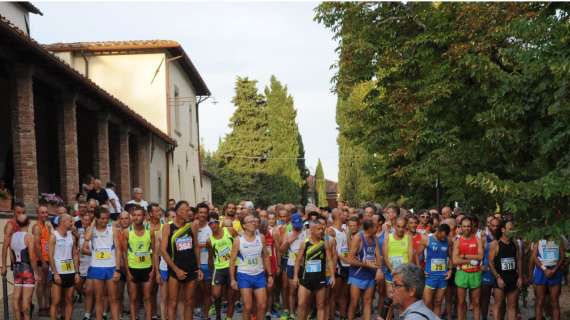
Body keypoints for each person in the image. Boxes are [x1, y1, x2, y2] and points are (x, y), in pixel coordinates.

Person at [160, 200, 203, 320]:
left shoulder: (192, 225)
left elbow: (195, 247)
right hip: (175, 270)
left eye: (189, 210)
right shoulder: (168, 227)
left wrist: (198, 267)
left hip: (191, 268)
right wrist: (176, 269)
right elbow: (163, 251)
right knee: (172, 302)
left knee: (189, 302)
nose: (188, 212)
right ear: (178, 212)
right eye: (185, 210)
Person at [230, 214, 274, 320]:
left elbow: (266, 256)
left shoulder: (261, 238)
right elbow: (232, 261)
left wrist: (270, 275)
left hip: (259, 274)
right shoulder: (238, 240)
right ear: (244, 225)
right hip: (244, 275)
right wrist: (232, 279)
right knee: (248, 306)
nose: (253, 223)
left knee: (262, 305)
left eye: (254, 221)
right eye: (250, 221)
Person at [83, 207, 122, 320]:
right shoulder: (92, 230)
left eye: (107, 218)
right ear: (97, 219)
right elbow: (87, 238)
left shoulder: (112, 229)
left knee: (113, 298)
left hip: (111, 267)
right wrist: (93, 223)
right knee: (98, 297)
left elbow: (118, 250)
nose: (105, 221)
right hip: (96, 267)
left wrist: (118, 269)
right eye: (102, 218)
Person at [293, 220, 335, 320]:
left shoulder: (324, 244)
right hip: (306, 279)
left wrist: (333, 276)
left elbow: (329, 260)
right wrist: (295, 277)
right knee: (301, 304)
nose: (321, 231)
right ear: (311, 230)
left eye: (322, 229)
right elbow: (298, 261)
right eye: (318, 229)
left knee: (321, 305)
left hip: (320, 279)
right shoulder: (305, 244)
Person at [122, 206, 155, 320]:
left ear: (144, 216)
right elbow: (124, 254)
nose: (136, 217)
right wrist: (127, 272)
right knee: (133, 298)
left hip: (147, 268)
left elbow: (154, 252)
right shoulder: (127, 232)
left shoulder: (150, 231)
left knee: (147, 297)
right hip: (132, 268)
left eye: (139, 215)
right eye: (134, 215)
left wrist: (153, 270)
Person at [347, 219, 382, 320]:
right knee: (354, 302)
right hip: (357, 275)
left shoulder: (374, 237)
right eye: (375, 227)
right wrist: (366, 265)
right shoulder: (358, 238)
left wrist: (379, 269)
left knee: (368, 301)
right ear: (369, 228)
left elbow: (378, 255)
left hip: (370, 274)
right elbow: (350, 259)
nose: (378, 228)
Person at [488, 220, 522, 320]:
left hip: (513, 278)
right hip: (501, 278)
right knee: (498, 304)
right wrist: (498, 277)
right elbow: (490, 262)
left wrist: (520, 276)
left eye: (513, 229)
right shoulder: (495, 243)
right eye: (510, 229)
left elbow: (519, 260)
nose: (513, 231)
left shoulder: (515, 243)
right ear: (503, 230)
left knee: (512, 306)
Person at [9, 211, 40, 320]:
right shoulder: (29, 236)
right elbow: (32, 256)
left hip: (17, 269)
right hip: (27, 269)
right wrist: (35, 272)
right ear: (29, 222)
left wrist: (14, 266)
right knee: (26, 301)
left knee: (16, 298)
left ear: (17, 223)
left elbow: (11, 255)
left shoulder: (12, 236)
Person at [49, 214, 80, 320]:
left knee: (69, 299)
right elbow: (50, 256)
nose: (72, 224)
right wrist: (55, 273)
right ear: (63, 222)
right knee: (56, 300)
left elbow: (75, 254)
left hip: (70, 272)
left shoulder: (71, 236)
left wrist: (76, 272)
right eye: (70, 221)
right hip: (58, 273)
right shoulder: (54, 236)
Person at [207, 213, 237, 320]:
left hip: (232, 267)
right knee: (216, 294)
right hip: (219, 268)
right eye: (210, 223)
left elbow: (240, 243)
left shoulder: (230, 231)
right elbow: (210, 258)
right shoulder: (209, 240)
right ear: (208, 225)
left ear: (218, 222)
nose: (213, 225)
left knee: (231, 297)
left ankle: (228, 318)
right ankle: (218, 316)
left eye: (215, 222)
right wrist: (211, 273)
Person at [452, 216, 483, 320]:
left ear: (472, 227)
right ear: (460, 227)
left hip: (475, 273)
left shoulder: (477, 239)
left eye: (468, 226)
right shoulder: (457, 241)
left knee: (476, 302)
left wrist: (464, 256)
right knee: (461, 302)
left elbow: (481, 256)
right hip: (462, 273)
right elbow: (455, 261)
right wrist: (471, 260)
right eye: (464, 226)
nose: (466, 228)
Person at [418, 223, 451, 316]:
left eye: (445, 237)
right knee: (427, 302)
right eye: (441, 236)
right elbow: (416, 254)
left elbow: (451, 257)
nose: (442, 238)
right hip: (430, 276)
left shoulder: (447, 241)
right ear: (438, 231)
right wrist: (420, 269)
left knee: (438, 302)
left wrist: (450, 270)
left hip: (442, 276)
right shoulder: (427, 239)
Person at [532, 231, 565, 320]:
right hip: (541, 271)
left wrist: (554, 269)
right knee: (540, 301)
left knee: (555, 302)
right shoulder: (538, 240)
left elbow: (562, 256)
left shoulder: (558, 239)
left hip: (555, 271)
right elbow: (534, 256)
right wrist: (544, 269)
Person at [279, 212, 305, 320]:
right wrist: (288, 241)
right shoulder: (288, 233)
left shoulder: (306, 232)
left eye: (300, 224)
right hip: (291, 265)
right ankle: (292, 313)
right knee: (292, 290)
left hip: (304, 265)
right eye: (296, 225)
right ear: (292, 223)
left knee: (303, 291)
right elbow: (281, 251)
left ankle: (302, 312)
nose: (298, 227)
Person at [328, 208, 350, 320]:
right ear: (338, 216)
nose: (345, 215)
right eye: (343, 214)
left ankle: (343, 316)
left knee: (344, 294)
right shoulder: (331, 231)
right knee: (334, 295)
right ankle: (331, 317)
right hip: (337, 267)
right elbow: (332, 251)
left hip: (346, 265)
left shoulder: (344, 230)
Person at [31, 204, 52, 316]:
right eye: (42, 212)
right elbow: (36, 246)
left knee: (48, 284)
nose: (45, 214)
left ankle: (47, 305)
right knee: (41, 284)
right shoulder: (37, 227)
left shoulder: (47, 226)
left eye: (46, 212)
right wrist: (43, 262)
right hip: (41, 260)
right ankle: (41, 307)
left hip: (48, 258)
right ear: (38, 214)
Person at [74, 210, 94, 320]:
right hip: (82, 265)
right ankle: (80, 295)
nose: (85, 222)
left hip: (91, 265)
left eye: (87, 220)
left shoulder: (93, 233)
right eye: (84, 220)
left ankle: (87, 314)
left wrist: (89, 252)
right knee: (78, 285)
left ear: (91, 222)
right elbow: (77, 250)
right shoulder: (80, 234)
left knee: (89, 291)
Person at [194, 202, 214, 319]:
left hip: (207, 263)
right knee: (197, 291)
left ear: (207, 214)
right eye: (200, 212)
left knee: (207, 291)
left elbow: (214, 243)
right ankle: (197, 309)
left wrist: (199, 245)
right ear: (197, 213)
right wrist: (203, 245)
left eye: (204, 213)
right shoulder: (192, 226)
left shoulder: (211, 227)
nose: (202, 215)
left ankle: (206, 315)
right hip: (195, 264)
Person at [480, 217, 500, 320]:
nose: (495, 228)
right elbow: (480, 254)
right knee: (485, 298)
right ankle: (484, 318)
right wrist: (480, 265)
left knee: (500, 299)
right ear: (489, 225)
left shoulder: (503, 237)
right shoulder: (484, 237)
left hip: (500, 272)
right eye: (493, 225)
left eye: (497, 226)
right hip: (487, 272)